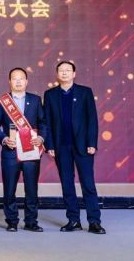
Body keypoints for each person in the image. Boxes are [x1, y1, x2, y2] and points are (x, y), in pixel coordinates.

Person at [44, 61, 105, 234]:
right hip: (61, 146)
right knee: (67, 184)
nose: (64, 73)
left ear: (74, 74)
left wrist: (92, 143)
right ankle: (73, 220)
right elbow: (47, 121)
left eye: (67, 70)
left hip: (83, 146)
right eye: (61, 70)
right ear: (57, 74)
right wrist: (49, 145)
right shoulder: (50, 94)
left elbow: (92, 119)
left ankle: (94, 221)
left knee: (88, 184)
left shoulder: (85, 92)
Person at [0, 68, 47, 232]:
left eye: (21, 78)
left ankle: (31, 221)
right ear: (9, 81)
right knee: (9, 189)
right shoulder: (2, 101)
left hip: (31, 150)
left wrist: (41, 138)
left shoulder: (35, 100)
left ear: (26, 81)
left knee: (31, 189)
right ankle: (12, 221)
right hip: (10, 151)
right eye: (14, 79)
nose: (18, 81)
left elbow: (43, 123)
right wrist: (4, 139)